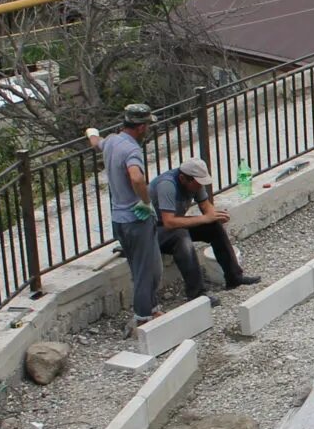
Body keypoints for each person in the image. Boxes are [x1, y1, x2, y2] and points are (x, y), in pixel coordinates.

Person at [152, 156, 260, 305]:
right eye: (197, 184)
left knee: (213, 227)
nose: (199, 187)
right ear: (184, 179)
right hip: (152, 232)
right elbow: (169, 222)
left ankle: (234, 277)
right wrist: (205, 218)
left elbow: (206, 206)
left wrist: (215, 216)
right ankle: (197, 293)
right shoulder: (167, 186)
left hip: (173, 225)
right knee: (181, 236)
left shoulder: (194, 182)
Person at [102, 104, 161, 324]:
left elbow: (95, 142)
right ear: (141, 127)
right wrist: (146, 202)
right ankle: (144, 318)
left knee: (146, 267)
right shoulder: (131, 150)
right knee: (145, 270)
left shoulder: (111, 141)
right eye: (147, 126)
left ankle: (152, 308)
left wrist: (90, 133)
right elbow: (136, 178)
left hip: (119, 220)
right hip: (136, 220)